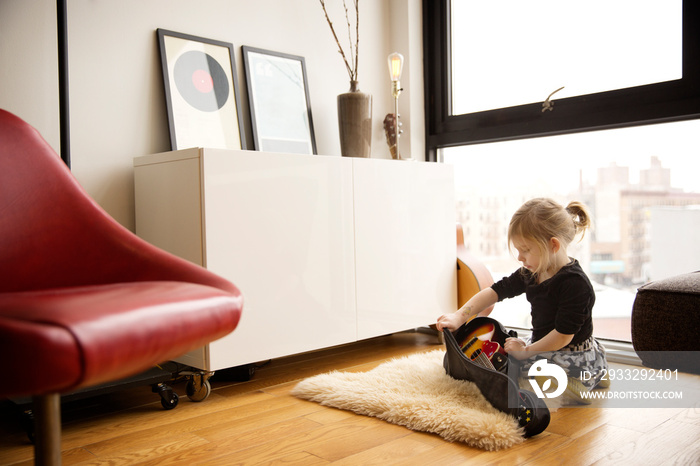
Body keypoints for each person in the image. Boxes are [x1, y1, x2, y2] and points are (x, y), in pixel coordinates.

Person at [436, 197, 608, 402]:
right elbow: (494, 292)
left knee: (523, 369)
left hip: (570, 351)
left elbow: (563, 336)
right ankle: (596, 372)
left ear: (553, 245)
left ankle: (580, 382)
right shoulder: (532, 272)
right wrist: (459, 316)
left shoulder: (576, 285)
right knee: (510, 351)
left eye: (525, 250)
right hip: (543, 342)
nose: (520, 257)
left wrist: (526, 351)